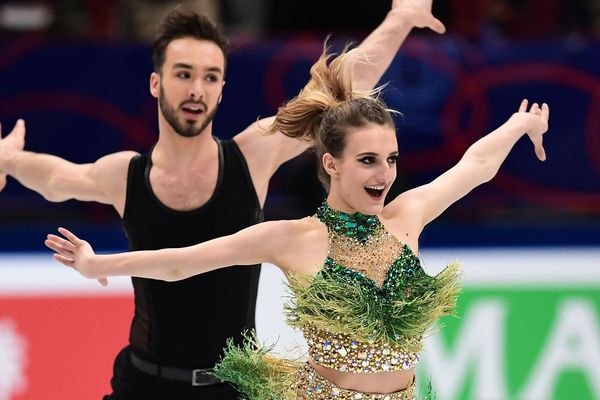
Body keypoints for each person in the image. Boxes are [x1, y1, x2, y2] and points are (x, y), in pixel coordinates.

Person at [44, 42, 550, 399]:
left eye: (391, 159)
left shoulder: (407, 218)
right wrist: (96, 264)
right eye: (368, 160)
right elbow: (184, 261)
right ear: (331, 164)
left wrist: (519, 124)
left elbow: (475, 167)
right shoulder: (293, 238)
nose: (385, 174)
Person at [0, 2, 447, 399]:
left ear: (222, 88)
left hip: (234, 388)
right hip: (143, 385)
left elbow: (339, 92)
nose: (196, 89)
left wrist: (401, 16)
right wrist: (10, 161)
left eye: (210, 77)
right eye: (183, 74)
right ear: (156, 83)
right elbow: (57, 178)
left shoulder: (252, 155)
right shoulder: (125, 175)